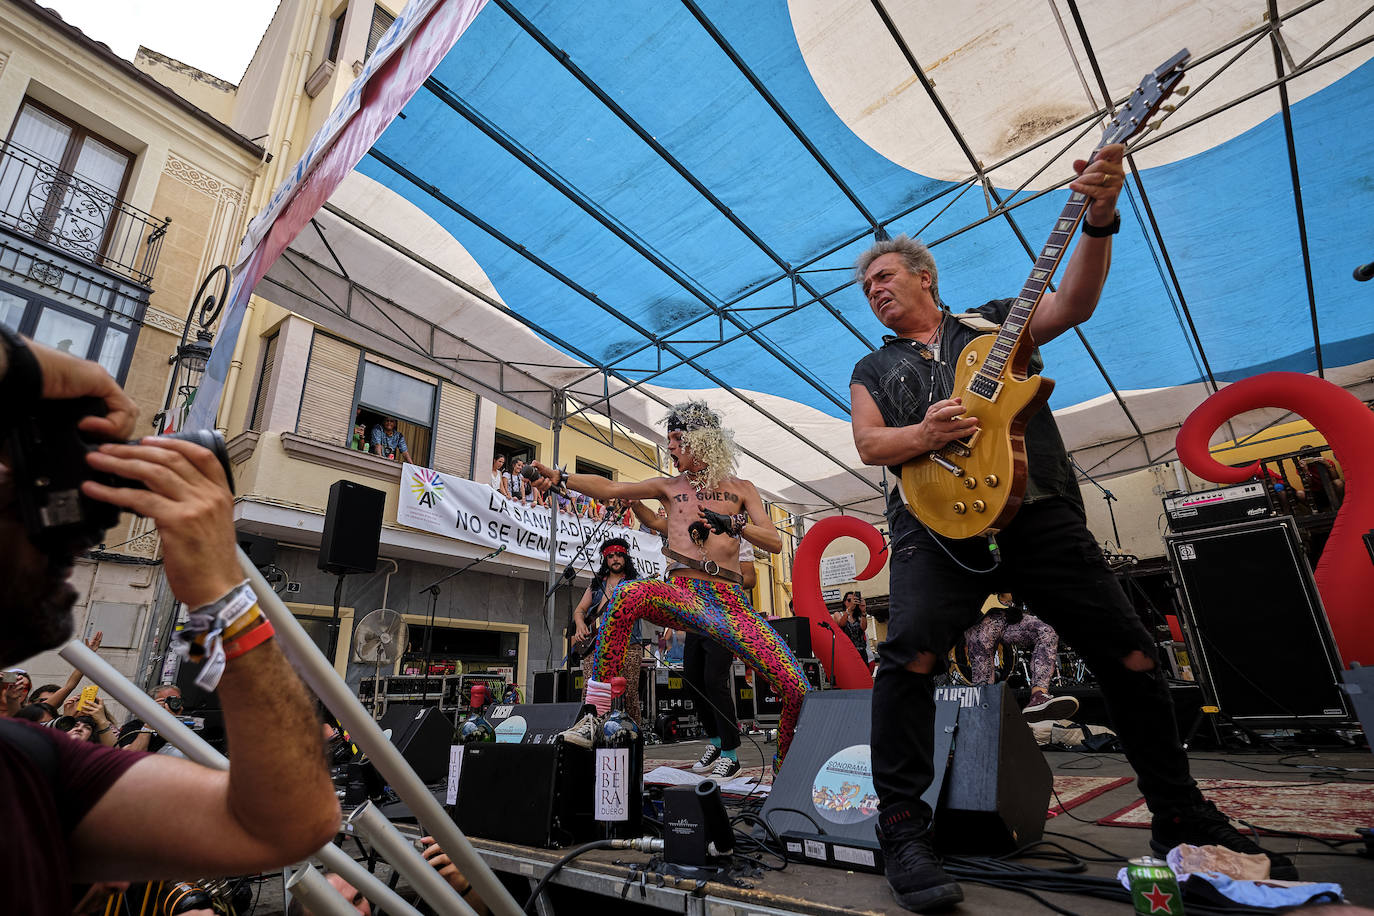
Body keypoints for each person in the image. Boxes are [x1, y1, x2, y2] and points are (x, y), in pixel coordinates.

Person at [848, 147, 1295, 911]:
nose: (875, 292)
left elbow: (1075, 304)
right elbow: (868, 445)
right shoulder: (871, 366)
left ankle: (1178, 812)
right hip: (932, 528)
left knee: (1130, 651)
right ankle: (902, 827)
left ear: (925, 275)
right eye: (865, 288)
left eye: (884, 276)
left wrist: (1099, 216)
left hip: (1037, 507)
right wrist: (922, 433)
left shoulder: (995, 320)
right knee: (910, 656)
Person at [0, 329, 340, 915]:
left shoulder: (29, 770)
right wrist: (24, 365)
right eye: (27, 493)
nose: (77, 534)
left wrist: (221, 594)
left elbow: (292, 822)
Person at [533, 401, 810, 778]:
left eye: (678, 439)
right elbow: (611, 487)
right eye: (669, 440)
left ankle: (786, 772)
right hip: (684, 593)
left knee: (795, 686)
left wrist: (732, 523)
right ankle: (594, 715)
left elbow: (774, 543)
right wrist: (561, 479)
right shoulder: (669, 487)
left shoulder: (742, 489)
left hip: (731, 604)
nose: (672, 448)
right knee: (628, 595)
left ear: (704, 440)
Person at [565, 538, 645, 735]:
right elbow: (580, 610)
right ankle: (591, 732)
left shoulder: (635, 583)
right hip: (596, 646)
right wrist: (581, 625)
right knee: (591, 690)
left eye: (619, 555)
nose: (615, 559)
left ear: (625, 557)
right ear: (605, 559)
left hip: (629, 645)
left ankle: (634, 734)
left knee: (628, 692)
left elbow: (645, 608)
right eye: (611, 556)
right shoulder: (596, 584)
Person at [963, 594, 1078, 722]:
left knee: (1046, 632)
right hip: (980, 620)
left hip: (1007, 617)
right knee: (983, 689)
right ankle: (983, 725)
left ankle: (1038, 696)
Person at [833, 591, 870, 664]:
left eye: (853, 600)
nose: (851, 602)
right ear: (844, 602)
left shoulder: (858, 616)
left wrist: (863, 612)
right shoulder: (838, 614)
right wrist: (849, 610)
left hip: (861, 652)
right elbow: (841, 623)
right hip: (846, 652)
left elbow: (863, 628)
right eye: (849, 600)